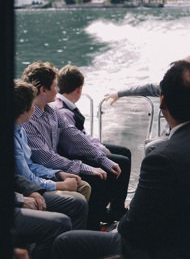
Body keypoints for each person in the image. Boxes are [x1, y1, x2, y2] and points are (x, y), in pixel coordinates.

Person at [52, 60, 190, 258]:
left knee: (66, 242)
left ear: (162, 102)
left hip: (185, 250)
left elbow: (131, 230)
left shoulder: (162, 159)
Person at [20, 62, 121, 230]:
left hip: (54, 168)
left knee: (102, 173)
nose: (58, 89)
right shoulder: (28, 121)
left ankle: (93, 228)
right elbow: (46, 158)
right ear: (43, 90)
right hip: (43, 172)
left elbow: (73, 135)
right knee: (95, 180)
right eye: (54, 85)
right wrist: (86, 168)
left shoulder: (53, 111)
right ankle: (88, 232)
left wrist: (102, 159)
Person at [54, 65, 131, 222]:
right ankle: (111, 210)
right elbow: (75, 144)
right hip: (72, 155)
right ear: (79, 89)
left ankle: (116, 206)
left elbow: (82, 136)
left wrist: (99, 146)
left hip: (79, 148)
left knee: (124, 152)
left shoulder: (66, 107)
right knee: (122, 161)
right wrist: (101, 152)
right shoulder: (63, 112)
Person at [103, 55, 190, 155]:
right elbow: (147, 88)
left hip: (188, 138)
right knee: (149, 143)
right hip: (174, 135)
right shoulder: (171, 86)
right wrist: (119, 94)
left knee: (151, 147)